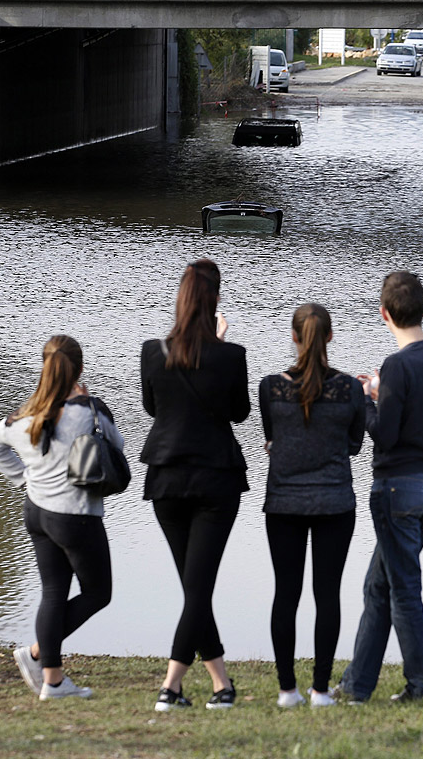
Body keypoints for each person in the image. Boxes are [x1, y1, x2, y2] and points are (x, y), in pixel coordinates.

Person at [335, 271, 423, 703]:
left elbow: (385, 435)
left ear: (384, 314)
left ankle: (422, 686)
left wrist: (369, 399)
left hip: (397, 490)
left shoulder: (396, 366)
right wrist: (381, 392)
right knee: (380, 585)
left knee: (402, 588)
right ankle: (357, 686)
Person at [0, 335, 119, 700]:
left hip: (36, 512)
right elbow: (116, 448)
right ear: (80, 369)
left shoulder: (25, 413)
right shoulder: (90, 409)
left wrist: (23, 478)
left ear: (45, 367)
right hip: (75, 516)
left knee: (54, 592)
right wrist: (90, 409)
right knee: (98, 593)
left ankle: (53, 681)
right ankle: (39, 655)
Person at [140, 259, 250, 712]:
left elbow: (151, 408)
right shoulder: (231, 355)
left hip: (166, 478)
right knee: (198, 589)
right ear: (216, 300)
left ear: (180, 300)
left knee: (193, 589)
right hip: (215, 481)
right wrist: (219, 349)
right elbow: (240, 413)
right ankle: (171, 687)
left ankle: (222, 685)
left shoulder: (152, 351)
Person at [259, 303, 365, 708]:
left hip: (283, 501)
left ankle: (288, 689)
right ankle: (321, 689)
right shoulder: (351, 390)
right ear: (331, 337)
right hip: (335, 502)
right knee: (328, 594)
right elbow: (354, 444)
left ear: (294, 336)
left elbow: (272, 438)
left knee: (285, 593)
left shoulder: (271, 387)